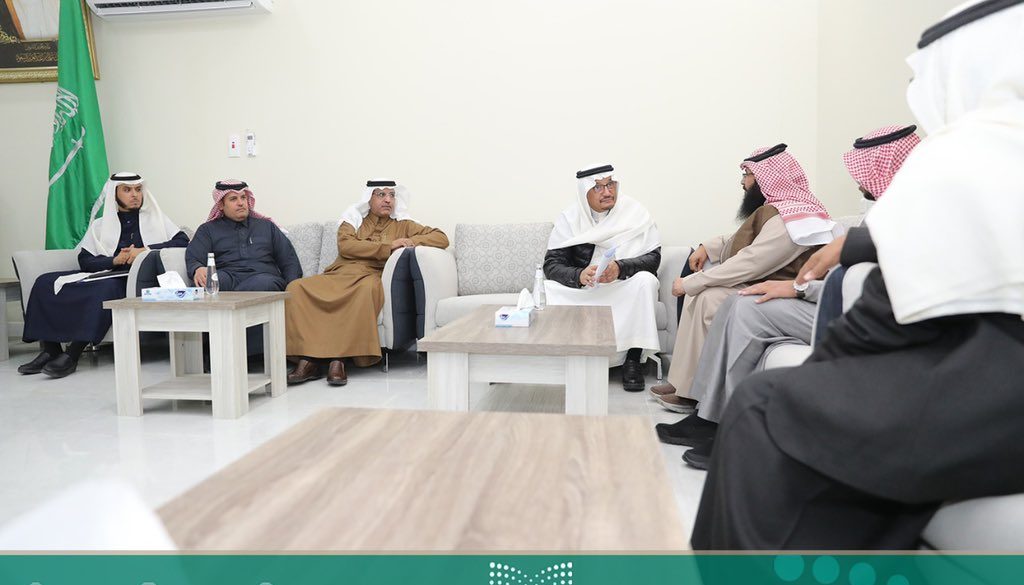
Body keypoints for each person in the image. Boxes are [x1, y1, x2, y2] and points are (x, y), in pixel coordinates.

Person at [692, 0, 1024, 549]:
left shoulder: (962, 158)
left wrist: (826, 361)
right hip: (981, 365)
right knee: (741, 315)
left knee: (761, 403)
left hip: (993, 381)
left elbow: (883, 312)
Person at [657, 125, 921, 470]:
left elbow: (757, 260)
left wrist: (795, 288)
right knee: (737, 302)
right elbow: (745, 242)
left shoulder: (908, 218)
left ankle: (728, 426)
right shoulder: (880, 213)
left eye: (747, 175)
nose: (858, 180)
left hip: (857, 312)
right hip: (831, 299)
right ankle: (707, 416)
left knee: (743, 305)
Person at [652, 144, 836, 412]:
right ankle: (684, 384)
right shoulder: (780, 209)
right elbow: (743, 239)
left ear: (765, 177)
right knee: (703, 296)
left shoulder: (793, 218)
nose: (743, 183)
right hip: (763, 283)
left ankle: (696, 395)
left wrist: (691, 282)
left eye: (747, 175)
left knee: (708, 298)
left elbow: (751, 262)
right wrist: (707, 247)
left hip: (787, 293)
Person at [18, 172, 188, 378]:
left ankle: (72, 354)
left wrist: (143, 250)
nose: (134, 194)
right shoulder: (100, 224)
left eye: (138, 189)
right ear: (114, 194)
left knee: (106, 289)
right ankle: (50, 350)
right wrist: (114, 260)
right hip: (105, 271)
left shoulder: (156, 219)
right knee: (44, 282)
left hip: (131, 279)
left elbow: (182, 241)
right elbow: (85, 260)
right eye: (127, 190)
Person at [285, 180, 449, 386]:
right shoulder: (353, 221)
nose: (388, 200)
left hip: (369, 276)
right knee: (296, 288)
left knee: (365, 290)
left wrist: (410, 242)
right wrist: (388, 246)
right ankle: (308, 360)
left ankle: (339, 360)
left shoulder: (403, 225)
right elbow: (346, 246)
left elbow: (441, 238)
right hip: (339, 273)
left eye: (391, 195)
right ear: (368, 199)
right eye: (381, 194)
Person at [543, 164, 662, 392]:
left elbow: (653, 259)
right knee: (548, 288)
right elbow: (552, 265)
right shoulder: (570, 219)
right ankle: (574, 357)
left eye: (610, 185)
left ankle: (632, 360)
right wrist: (579, 275)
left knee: (646, 281)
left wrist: (620, 268)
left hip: (621, 286)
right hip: (585, 289)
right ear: (584, 192)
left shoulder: (635, 213)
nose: (607, 192)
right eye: (598, 187)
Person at [185, 180, 301, 292]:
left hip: (262, 277)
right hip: (227, 277)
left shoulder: (267, 226)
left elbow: (289, 260)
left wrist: (292, 288)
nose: (240, 203)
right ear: (220, 205)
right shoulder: (208, 230)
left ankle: (235, 299)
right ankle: (237, 298)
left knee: (264, 283)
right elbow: (194, 257)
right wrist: (197, 268)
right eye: (233, 199)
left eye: (243, 197)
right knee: (207, 283)